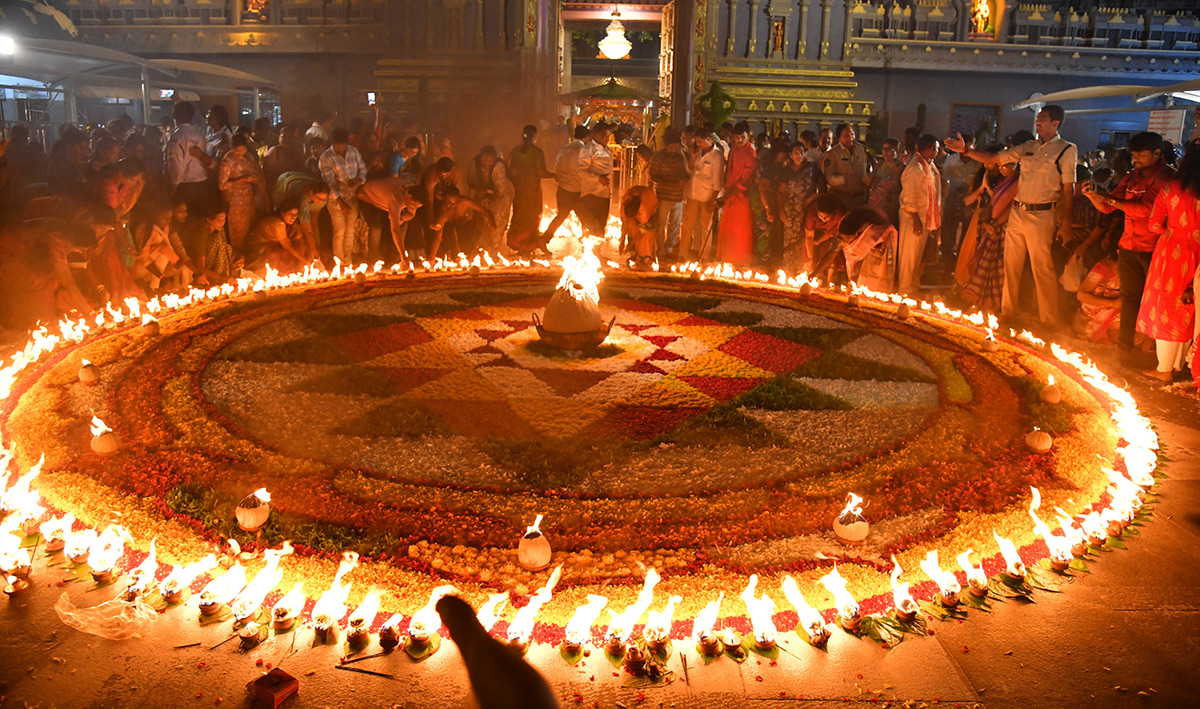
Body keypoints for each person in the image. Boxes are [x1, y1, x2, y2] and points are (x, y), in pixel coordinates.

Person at [946, 105, 1077, 327]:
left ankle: (1048, 320)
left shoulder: (1066, 150)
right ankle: (1008, 313)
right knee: (1010, 265)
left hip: (1042, 214)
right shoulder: (1028, 147)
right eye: (1038, 117)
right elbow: (994, 158)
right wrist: (966, 151)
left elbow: (1068, 189)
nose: (1038, 121)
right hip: (1018, 212)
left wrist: (1066, 223)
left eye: (1043, 118)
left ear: (1056, 123)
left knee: (1041, 267)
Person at [1081, 131, 1174, 353]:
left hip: (1154, 249)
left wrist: (1109, 199)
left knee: (1152, 300)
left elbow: (1145, 210)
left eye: (1141, 154)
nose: (1136, 160)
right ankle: (1125, 349)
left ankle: (1152, 349)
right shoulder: (1132, 178)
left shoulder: (1167, 178)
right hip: (1129, 246)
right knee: (1130, 299)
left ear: (1157, 153)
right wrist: (1094, 197)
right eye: (1134, 155)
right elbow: (1107, 207)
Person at [1135, 140, 1200, 382]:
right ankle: (1182, 364)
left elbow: (1153, 224)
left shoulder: (1171, 188)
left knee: (1167, 306)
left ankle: (1164, 369)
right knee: (1191, 308)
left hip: (1173, 253)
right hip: (1199, 252)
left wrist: (1172, 230)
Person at [0, 218, 100, 330]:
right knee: (40, 283)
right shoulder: (56, 241)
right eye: (81, 249)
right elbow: (69, 283)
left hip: (21, 255)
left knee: (51, 279)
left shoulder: (61, 228)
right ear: (74, 241)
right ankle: (36, 322)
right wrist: (89, 313)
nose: (80, 252)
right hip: (6, 255)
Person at [957, 157, 1019, 311]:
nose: (1000, 167)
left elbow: (1011, 206)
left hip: (1000, 227)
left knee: (995, 265)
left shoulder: (1016, 183)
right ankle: (973, 295)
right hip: (984, 223)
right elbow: (977, 202)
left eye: (998, 164)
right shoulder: (992, 181)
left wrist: (994, 224)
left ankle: (991, 301)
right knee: (976, 257)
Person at [812, 205, 898, 292]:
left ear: (858, 232)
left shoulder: (871, 230)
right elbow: (830, 255)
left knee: (876, 271)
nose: (847, 242)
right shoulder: (840, 236)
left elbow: (887, 230)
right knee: (859, 273)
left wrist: (877, 245)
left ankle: (877, 293)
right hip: (865, 251)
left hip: (882, 244)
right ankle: (859, 290)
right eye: (844, 238)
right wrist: (814, 273)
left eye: (849, 238)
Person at [897, 134, 942, 295]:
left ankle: (913, 287)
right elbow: (909, 198)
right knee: (909, 257)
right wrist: (916, 220)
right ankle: (905, 290)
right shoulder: (915, 168)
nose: (939, 151)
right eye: (936, 148)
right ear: (930, 150)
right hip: (913, 219)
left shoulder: (928, 165)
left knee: (917, 258)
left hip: (924, 218)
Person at [319, 127, 368, 264]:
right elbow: (330, 183)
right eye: (338, 149)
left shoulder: (353, 151)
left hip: (352, 197)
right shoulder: (326, 158)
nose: (341, 151)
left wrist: (358, 181)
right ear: (332, 144)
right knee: (339, 231)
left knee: (350, 231)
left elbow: (363, 169)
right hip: (336, 201)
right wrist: (341, 203)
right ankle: (339, 262)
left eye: (343, 148)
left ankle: (348, 261)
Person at [714, 121, 758, 266]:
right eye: (736, 138)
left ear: (748, 136)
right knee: (728, 227)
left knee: (740, 230)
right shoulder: (734, 149)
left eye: (742, 138)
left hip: (740, 197)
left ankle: (740, 261)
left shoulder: (750, 154)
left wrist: (726, 197)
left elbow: (744, 182)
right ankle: (727, 258)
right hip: (729, 194)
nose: (739, 141)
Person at [679, 127, 725, 261]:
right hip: (692, 194)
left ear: (708, 140)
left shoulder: (717, 156)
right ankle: (682, 254)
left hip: (707, 196)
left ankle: (703, 255)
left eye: (700, 142)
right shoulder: (697, 152)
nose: (697, 144)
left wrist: (713, 201)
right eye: (696, 142)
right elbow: (689, 170)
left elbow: (718, 182)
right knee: (687, 226)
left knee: (705, 228)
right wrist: (693, 157)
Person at [778, 141, 824, 275]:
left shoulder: (812, 168)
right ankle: (789, 271)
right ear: (790, 155)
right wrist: (781, 210)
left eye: (802, 152)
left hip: (808, 208)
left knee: (807, 240)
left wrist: (814, 199)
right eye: (796, 153)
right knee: (791, 242)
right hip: (791, 210)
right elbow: (780, 192)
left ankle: (806, 270)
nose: (799, 155)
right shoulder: (786, 171)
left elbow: (822, 186)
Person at [358, 175, 423, 261]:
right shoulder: (396, 198)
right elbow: (395, 229)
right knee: (376, 229)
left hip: (384, 204)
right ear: (409, 197)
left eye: (417, 207)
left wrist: (402, 218)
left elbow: (411, 215)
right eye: (413, 205)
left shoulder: (409, 191)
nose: (414, 208)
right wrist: (403, 255)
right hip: (367, 200)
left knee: (403, 225)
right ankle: (372, 261)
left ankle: (394, 260)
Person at [541, 125, 588, 244]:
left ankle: (544, 239)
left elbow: (557, 168)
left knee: (560, 216)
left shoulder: (563, 149)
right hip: (578, 191)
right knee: (586, 219)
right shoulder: (585, 151)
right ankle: (587, 243)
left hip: (563, 189)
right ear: (586, 137)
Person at [647, 127, 689, 261]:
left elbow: (685, 173)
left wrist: (684, 180)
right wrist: (669, 183)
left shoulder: (681, 158)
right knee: (661, 225)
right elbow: (652, 176)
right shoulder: (657, 157)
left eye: (675, 147)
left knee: (675, 225)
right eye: (670, 147)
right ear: (666, 146)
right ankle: (661, 250)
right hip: (663, 197)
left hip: (678, 197)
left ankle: (669, 248)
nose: (673, 150)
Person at [218, 134, 264, 253]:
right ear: (232, 148)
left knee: (249, 225)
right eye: (238, 151)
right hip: (234, 201)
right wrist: (241, 180)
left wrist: (253, 179)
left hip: (247, 198)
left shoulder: (247, 157)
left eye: (243, 150)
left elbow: (256, 171)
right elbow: (222, 185)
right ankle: (236, 253)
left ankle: (247, 252)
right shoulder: (228, 161)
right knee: (236, 229)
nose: (241, 153)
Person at [133, 202, 193, 292]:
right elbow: (143, 258)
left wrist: (178, 261)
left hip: (153, 270)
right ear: (155, 215)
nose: (168, 221)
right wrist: (162, 278)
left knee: (180, 266)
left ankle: (161, 287)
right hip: (138, 269)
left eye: (170, 218)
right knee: (162, 253)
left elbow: (179, 248)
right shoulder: (144, 230)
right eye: (165, 218)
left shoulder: (167, 228)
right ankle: (153, 288)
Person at [940, 135, 981, 264]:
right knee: (948, 235)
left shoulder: (978, 163)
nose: (965, 151)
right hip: (952, 201)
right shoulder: (951, 160)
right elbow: (944, 180)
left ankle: (961, 264)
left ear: (974, 147)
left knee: (966, 235)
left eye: (968, 148)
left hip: (969, 204)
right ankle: (947, 264)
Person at [167, 102, 212, 214]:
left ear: (174, 116)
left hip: (186, 187)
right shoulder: (199, 132)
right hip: (203, 184)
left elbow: (176, 165)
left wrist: (172, 190)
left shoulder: (177, 135)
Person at [469, 146, 514, 254]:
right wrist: (480, 191)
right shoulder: (474, 164)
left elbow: (501, 189)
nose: (487, 163)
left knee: (497, 222)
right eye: (485, 160)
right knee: (481, 220)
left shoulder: (499, 167)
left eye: (490, 160)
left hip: (502, 196)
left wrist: (492, 199)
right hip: (482, 194)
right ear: (480, 158)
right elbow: (471, 181)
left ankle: (492, 250)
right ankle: (480, 248)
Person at [1071, 249, 1123, 344]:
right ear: (1119, 251)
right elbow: (1081, 295)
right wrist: (1112, 303)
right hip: (1096, 308)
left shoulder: (1132, 270)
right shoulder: (1104, 267)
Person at [244, 200, 310, 274]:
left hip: (273, 244)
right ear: (282, 214)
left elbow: (298, 238)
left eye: (296, 214)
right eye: (290, 214)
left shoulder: (292, 222)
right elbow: (287, 245)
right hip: (259, 246)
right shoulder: (277, 224)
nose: (294, 217)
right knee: (279, 255)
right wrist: (303, 259)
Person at [429, 187, 495, 256]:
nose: (452, 206)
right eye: (449, 203)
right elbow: (438, 237)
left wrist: (492, 222)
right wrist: (432, 256)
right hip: (450, 232)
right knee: (448, 238)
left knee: (473, 236)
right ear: (444, 200)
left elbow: (484, 210)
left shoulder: (465, 202)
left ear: (459, 199)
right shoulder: (443, 212)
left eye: (455, 203)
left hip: (465, 229)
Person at [577, 122, 615, 241]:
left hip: (604, 194)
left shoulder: (607, 150)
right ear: (596, 135)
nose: (607, 139)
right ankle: (587, 254)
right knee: (590, 227)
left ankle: (597, 255)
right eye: (604, 136)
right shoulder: (588, 150)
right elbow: (581, 172)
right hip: (591, 194)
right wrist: (598, 178)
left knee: (601, 226)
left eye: (608, 136)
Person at [185, 206, 242, 283]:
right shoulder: (201, 236)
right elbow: (201, 268)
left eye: (224, 220)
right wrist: (224, 278)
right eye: (219, 220)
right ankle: (216, 278)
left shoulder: (218, 230)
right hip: (198, 270)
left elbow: (226, 248)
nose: (222, 223)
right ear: (209, 220)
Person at [821, 123, 872, 209]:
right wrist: (845, 179)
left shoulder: (861, 149)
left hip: (861, 198)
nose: (850, 138)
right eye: (846, 136)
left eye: (852, 134)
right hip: (841, 198)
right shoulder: (833, 153)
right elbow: (829, 177)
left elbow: (868, 168)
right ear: (839, 137)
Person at [804, 194, 848, 281]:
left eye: (826, 217)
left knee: (831, 253)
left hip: (832, 235)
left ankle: (830, 281)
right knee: (808, 250)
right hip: (817, 233)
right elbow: (809, 236)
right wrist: (810, 258)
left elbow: (832, 234)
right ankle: (814, 276)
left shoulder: (838, 215)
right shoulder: (812, 213)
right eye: (820, 216)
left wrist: (819, 241)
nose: (823, 220)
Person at [620, 184, 659, 266]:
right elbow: (625, 223)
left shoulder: (643, 211)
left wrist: (629, 245)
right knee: (631, 225)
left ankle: (645, 257)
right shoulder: (626, 202)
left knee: (647, 234)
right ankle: (634, 252)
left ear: (637, 214)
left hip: (650, 203)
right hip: (640, 197)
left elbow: (642, 232)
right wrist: (622, 242)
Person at [868, 138, 903, 225]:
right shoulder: (879, 165)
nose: (885, 152)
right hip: (875, 202)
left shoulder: (900, 167)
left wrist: (896, 175)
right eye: (884, 149)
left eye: (889, 149)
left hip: (889, 205)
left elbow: (898, 188)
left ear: (896, 151)